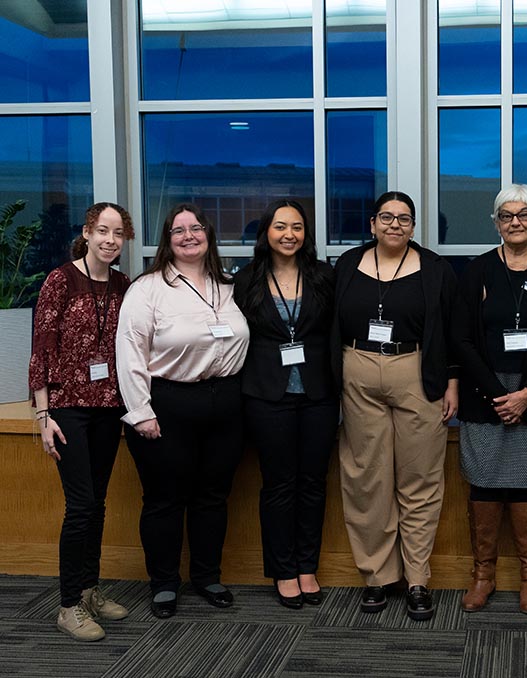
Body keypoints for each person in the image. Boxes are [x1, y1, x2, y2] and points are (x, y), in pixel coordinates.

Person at [116, 203, 249, 619]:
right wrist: (141, 411)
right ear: (167, 239)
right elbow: (129, 353)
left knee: (213, 497)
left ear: (209, 234)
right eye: (178, 230)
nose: (188, 235)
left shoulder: (229, 286)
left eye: (196, 228)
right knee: (164, 500)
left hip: (227, 403)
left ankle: (207, 577)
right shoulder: (148, 288)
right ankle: (164, 584)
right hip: (168, 404)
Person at [332, 190, 458, 622]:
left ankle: (417, 577)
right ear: (371, 224)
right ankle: (378, 576)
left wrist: (452, 382)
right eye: (386, 217)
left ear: (413, 226)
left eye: (404, 219)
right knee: (367, 477)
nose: (394, 225)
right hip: (358, 369)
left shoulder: (436, 269)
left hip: (417, 371)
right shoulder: (348, 264)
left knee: (419, 479)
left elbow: (452, 331)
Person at [453, 184, 527, 615]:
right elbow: (462, 339)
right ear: (497, 222)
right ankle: (482, 575)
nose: (516, 222)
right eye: (507, 215)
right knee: (484, 482)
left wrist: (525, 393)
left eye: (524, 214)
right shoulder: (477, 271)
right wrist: (496, 393)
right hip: (484, 393)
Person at [29, 202, 135, 641]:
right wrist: (43, 414)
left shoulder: (124, 285)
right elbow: (41, 347)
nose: (111, 240)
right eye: (103, 231)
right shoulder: (60, 280)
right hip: (68, 408)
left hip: (110, 407)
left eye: (118, 233)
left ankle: (90, 591)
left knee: (99, 504)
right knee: (81, 506)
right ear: (87, 233)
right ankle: (69, 605)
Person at [234, 199, 339, 609]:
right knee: (279, 486)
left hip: (318, 395)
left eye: (297, 227)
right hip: (266, 395)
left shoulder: (324, 277)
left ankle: (307, 566)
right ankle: (282, 570)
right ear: (267, 233)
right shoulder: (246, 281)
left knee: (313, 484)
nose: (289, 234)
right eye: (280, 227)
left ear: (305, 233)